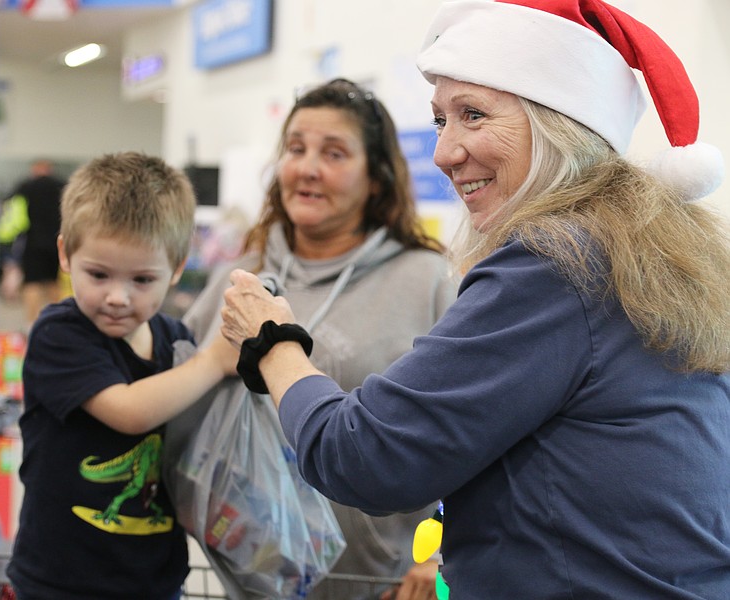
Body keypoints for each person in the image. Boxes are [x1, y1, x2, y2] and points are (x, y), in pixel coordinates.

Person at [219, 1, 730, 598]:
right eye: (441, 120)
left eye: (474, 114)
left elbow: (365, 456)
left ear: (558, 123)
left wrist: (272, 341)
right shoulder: (639, 253)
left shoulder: (555, 262)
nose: (444, 152)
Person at [179, 78, 457, 599]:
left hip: (382, 584)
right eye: (296, 148)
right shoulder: (241, 279)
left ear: (375, 178)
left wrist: (439, 551)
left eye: (333, 153)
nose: (307, 168)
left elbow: (471, 427)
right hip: (247, 580)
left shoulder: (429, 282)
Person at [5, 151, 239, 600]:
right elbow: (130, 411)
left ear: (176, 267)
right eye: (99, 274)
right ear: (65, 254)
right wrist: (214, 361)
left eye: (142, 280)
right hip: (60, 581)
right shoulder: (58, 334)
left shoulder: (175, 339)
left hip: (156, 578)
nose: (117, 297)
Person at [0, 158, 67, 330]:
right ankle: (57, 322)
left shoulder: (25, 187)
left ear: (35, 169)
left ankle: (31, 323)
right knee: (54, 283)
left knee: (32, 283)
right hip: (57, 242)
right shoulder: (62, 186)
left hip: (33, 243)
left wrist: (6, 240)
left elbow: (13, 216)